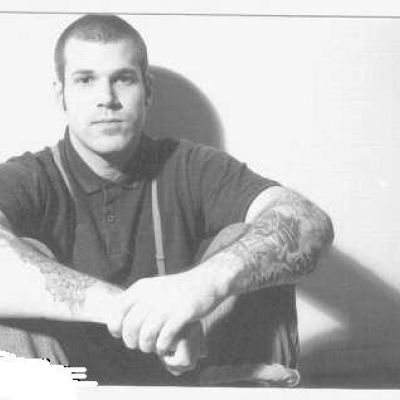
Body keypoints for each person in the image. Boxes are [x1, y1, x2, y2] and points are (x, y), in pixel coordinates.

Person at [0, 14, 334, 385]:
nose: (106, 99)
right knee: (17, 271)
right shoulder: (30, 176)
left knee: (252, 243)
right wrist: (129, 310)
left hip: (188, 375)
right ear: (60, 93)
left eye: (123, 78)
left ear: (147, 91)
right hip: (68, 383)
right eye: (85, 80)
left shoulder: (190, 164)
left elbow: (308, 222)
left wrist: (200, 288)